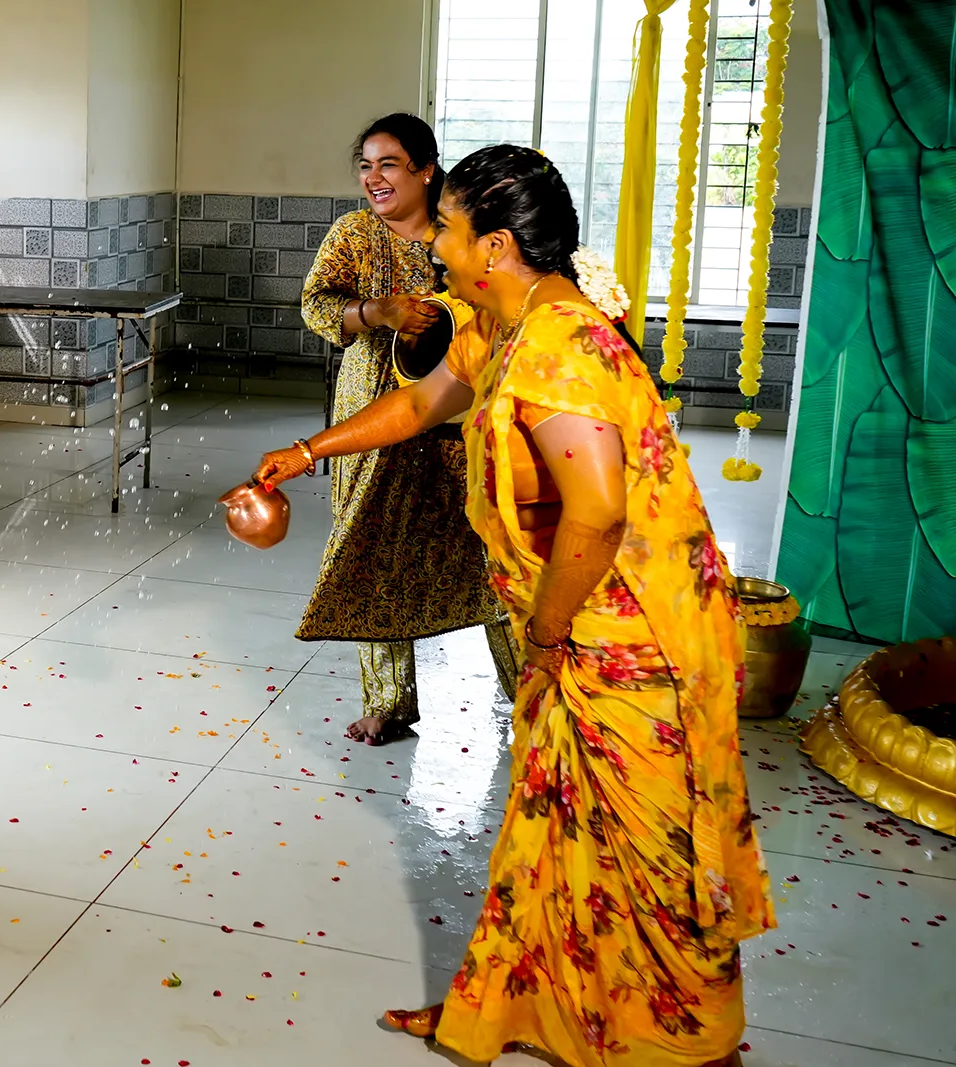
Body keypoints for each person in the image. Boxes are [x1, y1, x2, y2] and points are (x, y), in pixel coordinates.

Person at [255, 145, 774, 1067]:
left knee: (648, 858)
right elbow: (422, 404)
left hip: (631, 636)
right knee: (555, 828)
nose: (435, 247)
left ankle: (695, 1048)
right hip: (586, 618)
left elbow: (599, 511)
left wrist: (546, 630)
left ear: (494, 245)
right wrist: (307, 452)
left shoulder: (561, 345)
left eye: (448, 230)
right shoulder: (501, 320)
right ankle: (526, 1005)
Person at [298, 114, 519, 746]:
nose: (374, 178)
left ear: (425, 170)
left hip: (460, 410)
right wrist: (374, 312)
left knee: (489, 543)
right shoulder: (354, 235)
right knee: (371, 541)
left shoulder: (460, 233)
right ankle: (388, 703)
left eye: (389, 164)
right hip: (371, 407)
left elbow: (504, 300)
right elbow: (315, 305)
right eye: (365, 165)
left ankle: (532, 690)